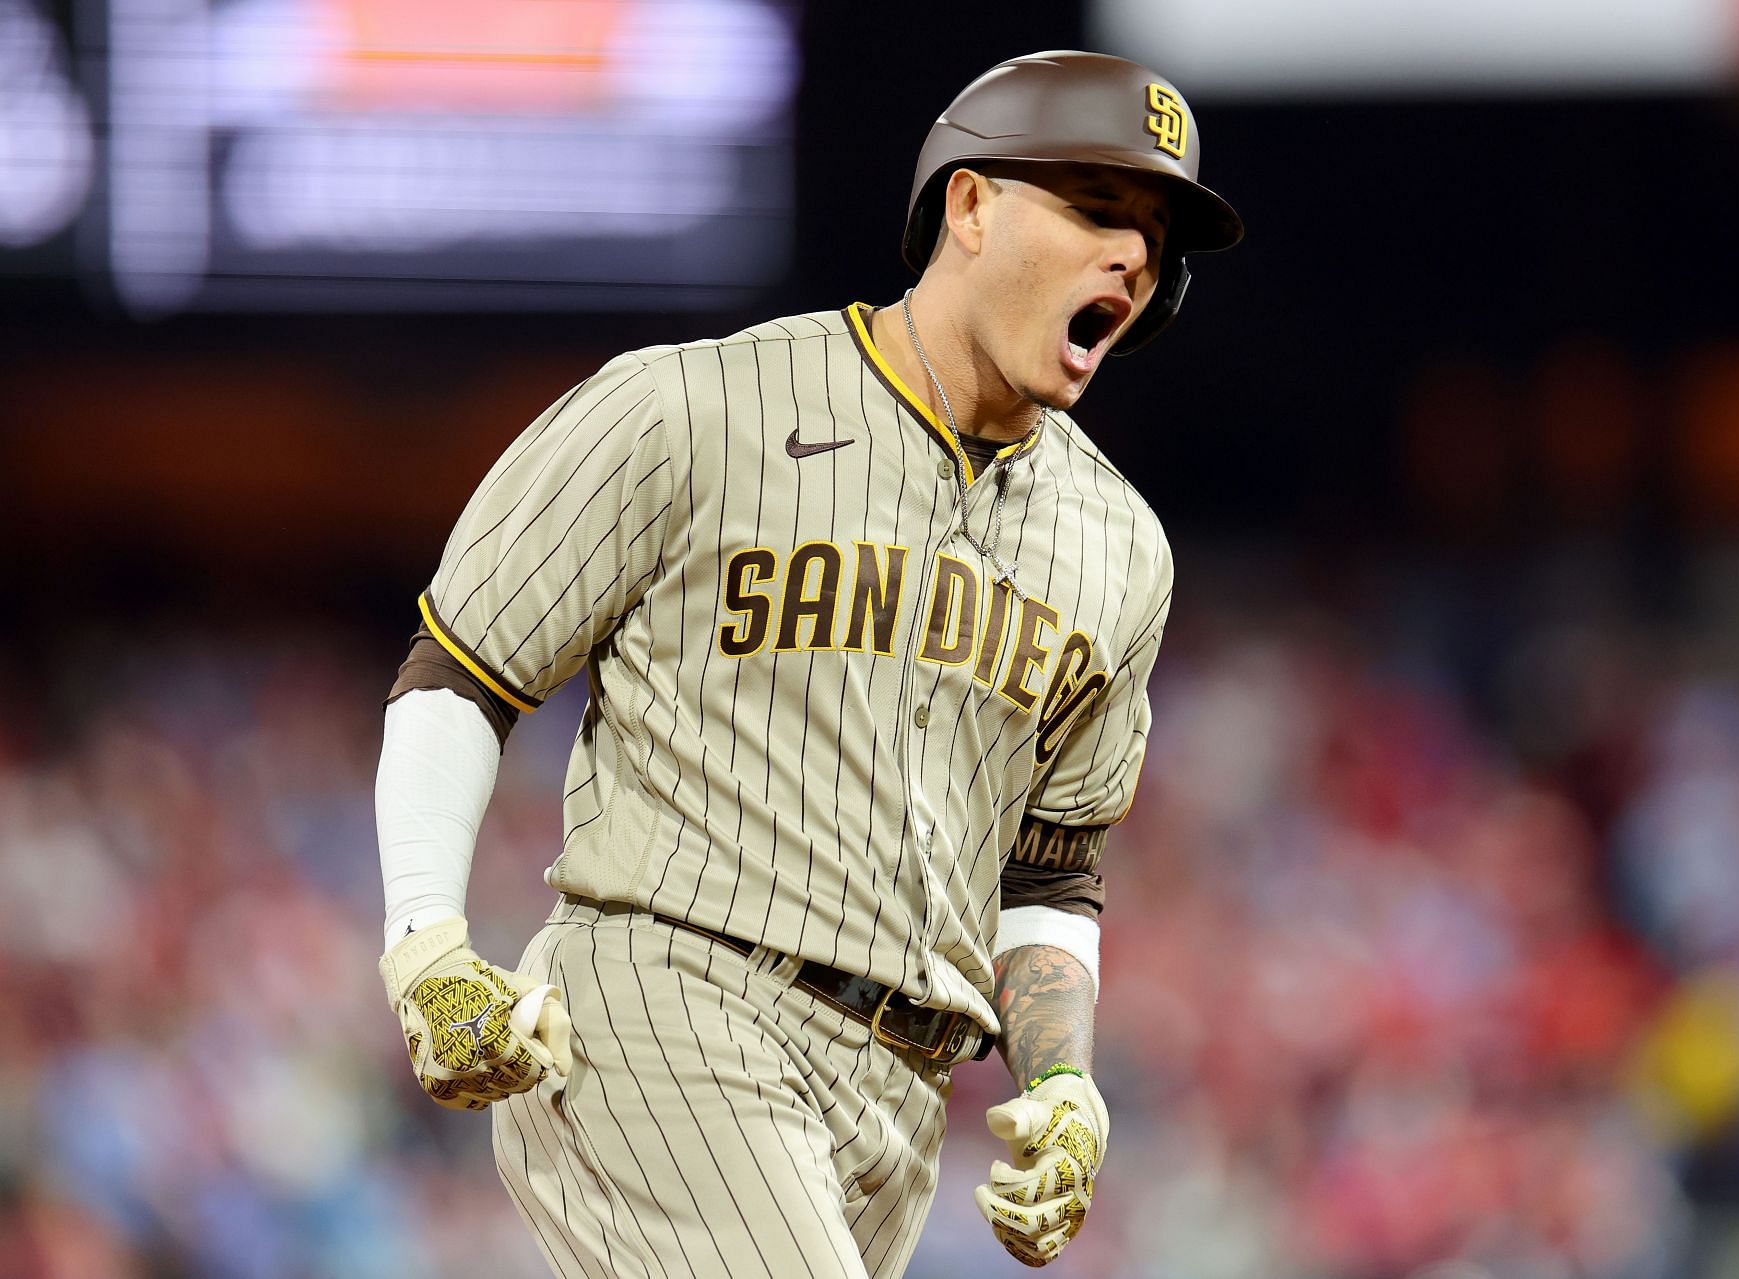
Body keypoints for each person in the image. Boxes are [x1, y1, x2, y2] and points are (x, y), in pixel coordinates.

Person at [373, 48, 1243, 1277]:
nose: (1135, 256)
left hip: (900, 1092)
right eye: (1099, 208)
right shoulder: (695, 410)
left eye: (1157, 235)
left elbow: (1052, 872)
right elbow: (460, 674)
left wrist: (1064, 1080)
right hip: (669, 1002)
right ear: (971, 205)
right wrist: (427, 941)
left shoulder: (1120, 549)